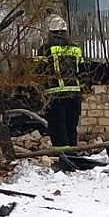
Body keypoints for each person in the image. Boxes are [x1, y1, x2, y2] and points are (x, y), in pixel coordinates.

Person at [36, 14, 85, 149]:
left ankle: (63, 156)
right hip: (74, 94)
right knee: (71, 125)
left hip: (56, 94)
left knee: (57, 125)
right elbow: (83, 72)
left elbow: (39, 72)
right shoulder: (76, 49)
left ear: (50, 32)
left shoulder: (45, 49)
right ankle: (73, 153)